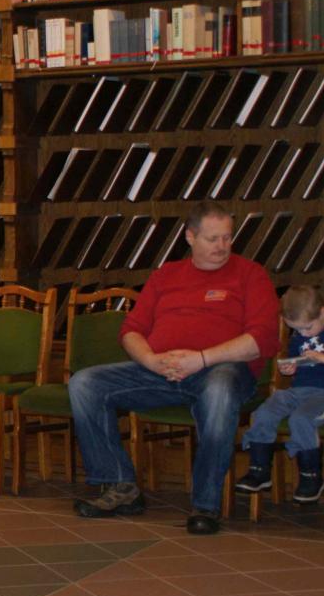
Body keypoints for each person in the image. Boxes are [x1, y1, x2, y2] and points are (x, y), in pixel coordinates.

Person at [70, 200, 280, 535]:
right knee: (84, 383)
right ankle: (121, 486)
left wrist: (201, 358)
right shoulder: (166, 275)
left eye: (227, 237)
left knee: (219, 388)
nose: (222, 246)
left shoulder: (250, 274)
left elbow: (261, 339)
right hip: (161, 370)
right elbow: (131, 331)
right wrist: (151, 360)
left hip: (220, 370)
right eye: (212, 238)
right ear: (190, 237)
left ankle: (206, 505)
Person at [237, 286, 324, 503]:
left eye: (307, 328)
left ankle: (311, 476)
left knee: (301, 418)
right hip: (298, 390)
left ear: (323, 312)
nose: (303, 334)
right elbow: (297, 358)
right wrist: (291, 368)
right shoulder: (301, 331)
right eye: (296, 329)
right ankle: (259, 469)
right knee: (264, 412)